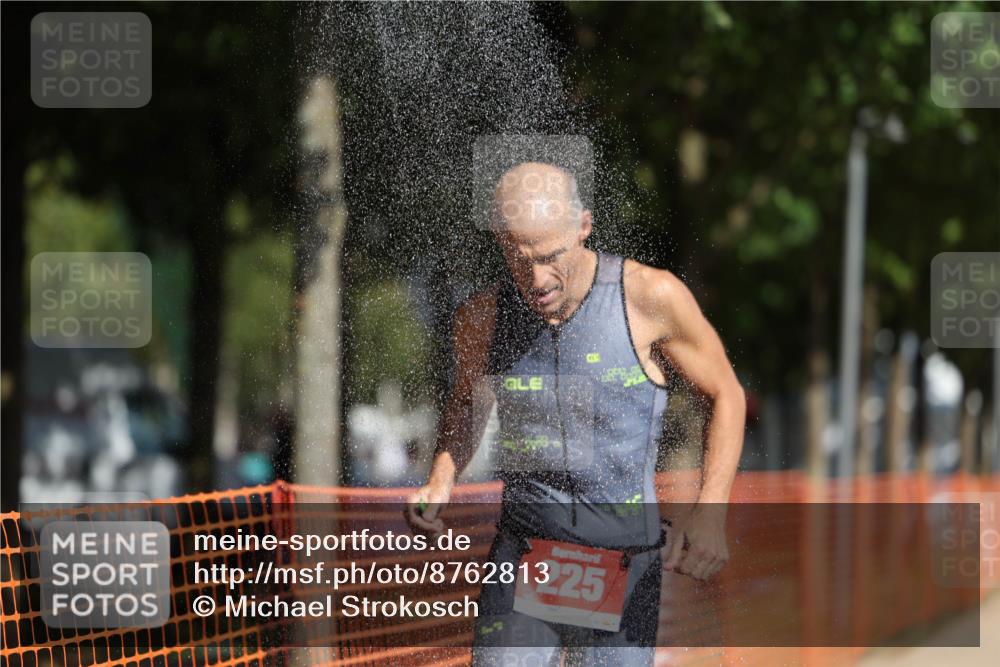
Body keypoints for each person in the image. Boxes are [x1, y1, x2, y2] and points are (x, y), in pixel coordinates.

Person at [406, 161, 745, 666]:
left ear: (584, 226)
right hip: (526, 553)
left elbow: (726, 394)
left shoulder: (650, 298)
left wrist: (711, 511)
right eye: (519, 260)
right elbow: (466, 405)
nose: (537, 279)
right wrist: (440, 479)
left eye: (551, 257)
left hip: (622, 560)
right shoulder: (482, 317)